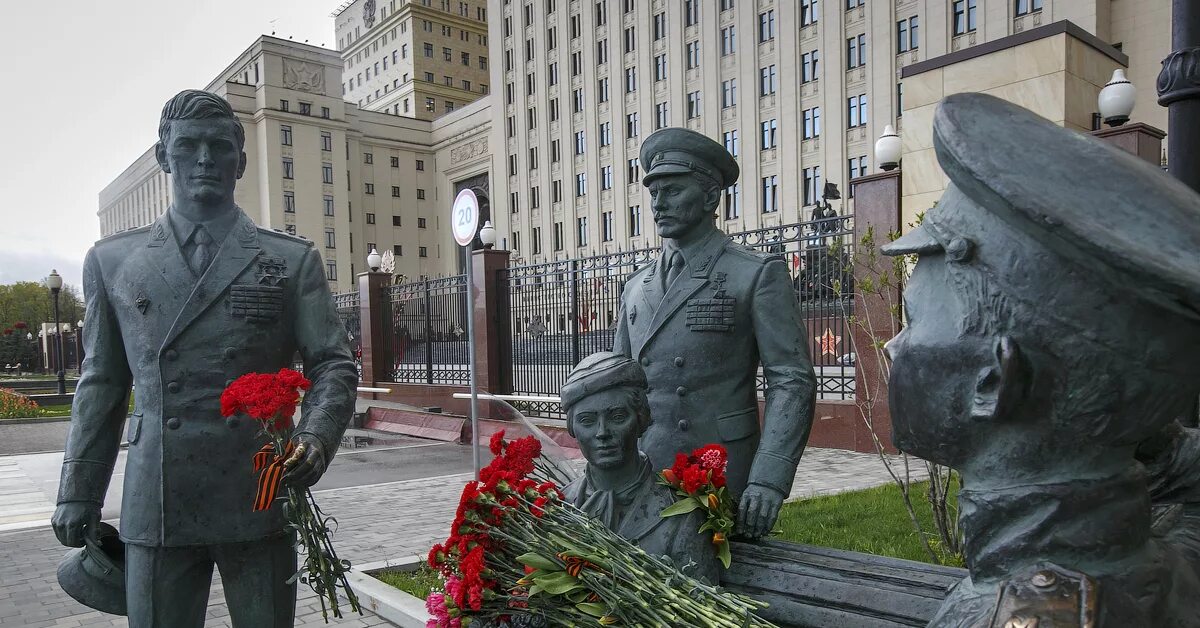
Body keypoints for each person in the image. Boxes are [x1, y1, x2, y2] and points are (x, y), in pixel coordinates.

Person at [881, 92, 1200, 626]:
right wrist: (1131, 434)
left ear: (995, 380)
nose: (893, 345)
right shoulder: (1165, 561)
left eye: (911, 319)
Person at [51, 90, 358, 627]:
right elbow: (101, 382)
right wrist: (79, 490)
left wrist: (316, 437)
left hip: (259, 486)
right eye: (188, 145)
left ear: (240, 160)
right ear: (163, 155)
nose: (204, 159)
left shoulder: (288, 260)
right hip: (158, 496)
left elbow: (333, 362)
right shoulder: (113, 262)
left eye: (220, 146)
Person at [613, 127, 817, 539]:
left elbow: (791, 380)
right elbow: (620, 383)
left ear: (710, 197)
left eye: (672, 191)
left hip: (722, 472)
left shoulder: (753, 274)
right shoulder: (635, 287)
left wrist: (769, 477)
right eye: (654, 193)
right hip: (647, 469)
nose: (658, 204)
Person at [560, 352, 719, 583]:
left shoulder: (681, 515)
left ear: (641, 419)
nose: (602, 432)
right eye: (587, 421)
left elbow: (701, 605)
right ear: (572, 428)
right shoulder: (559, 504)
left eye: (617, 417)